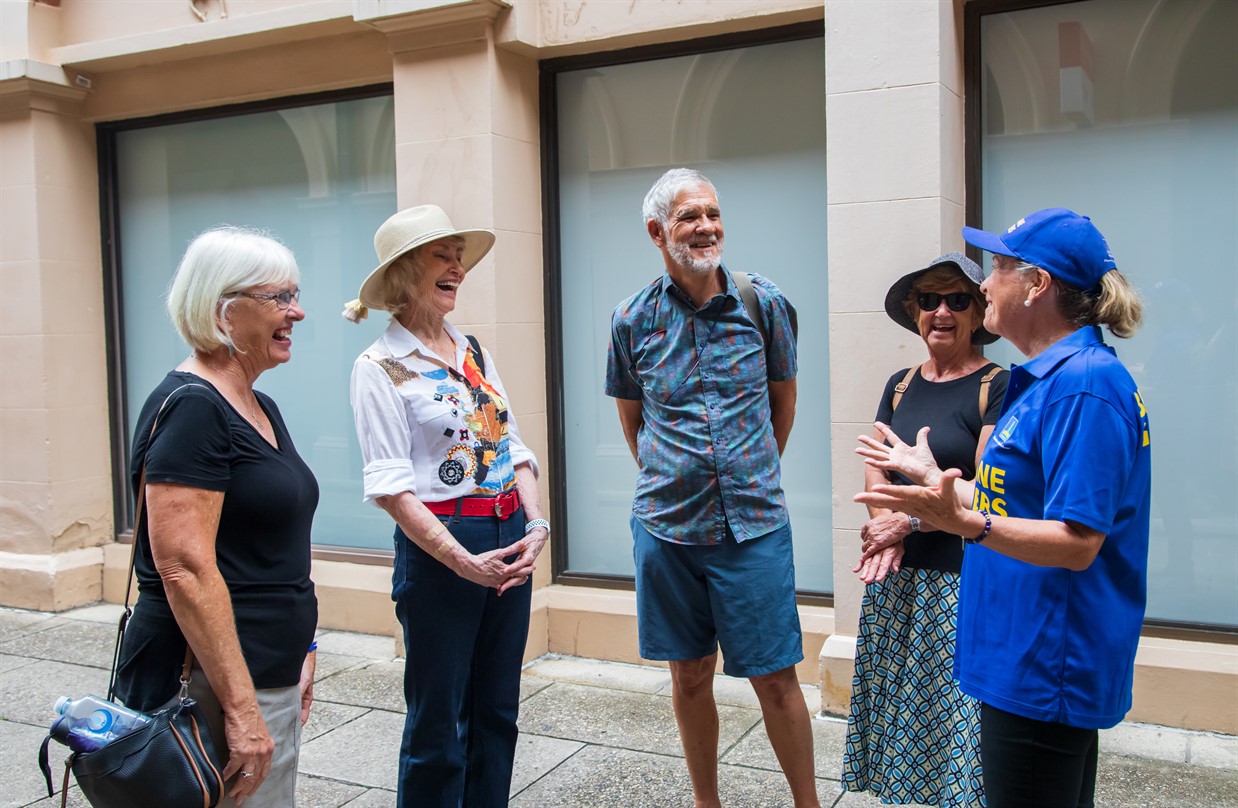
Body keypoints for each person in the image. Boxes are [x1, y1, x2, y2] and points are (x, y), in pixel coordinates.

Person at [855, 208, 1150, 808]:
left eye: (996, 268)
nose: (985, 284)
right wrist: (933, 479)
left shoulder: (1085, 387)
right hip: (1016, 653)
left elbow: (1078, 543)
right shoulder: (1046, 380)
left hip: (1044, 664)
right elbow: (1009, 500)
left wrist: (963, 523)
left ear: (1037, 285)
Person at [605, 168, 820, 808]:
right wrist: (676, 477)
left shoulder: (765, 305)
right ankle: (707, 802)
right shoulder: (631, 319)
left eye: (713, 214)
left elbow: (783, 403)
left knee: (776, 678)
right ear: (657, 232)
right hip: (667, 530)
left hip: (754, 527)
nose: (706, 227)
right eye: (689, 217)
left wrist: (748, 474)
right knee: (691, 675)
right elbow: (633, 420)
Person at [345, 204, 547, 808]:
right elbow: (391, 487)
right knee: (439, 724)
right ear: (405, 272)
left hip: (509, 533)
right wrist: (462, 561)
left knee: (497, 710)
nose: (458, 267)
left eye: (459, 256)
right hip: (442, 547)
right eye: (443, 255)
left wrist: (536, 523)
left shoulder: (472, 350)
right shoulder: (379, 367)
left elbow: (513, 447)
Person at [115, 226, 319, 807]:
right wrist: (242, 709)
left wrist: (304, 648)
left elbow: (273, 545)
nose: (297, 312)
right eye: (279, 297)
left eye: (294, 294)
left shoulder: (257, 403)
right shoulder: (195, 409)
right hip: (211, 681)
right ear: (223, 311)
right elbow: (183, 568)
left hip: (266, 667)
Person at [842, 252, 1007, 807]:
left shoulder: (997, 385)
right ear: (915, 312)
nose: (942, 312)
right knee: (898, 713)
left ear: (979, 313)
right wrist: (886, 528)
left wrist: (908, 521)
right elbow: (876, 464)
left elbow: (987, 488)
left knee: (949, 717)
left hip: (956, 577)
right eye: (930, 300)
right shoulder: (900, 384)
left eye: (957, 300)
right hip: (897, 575)